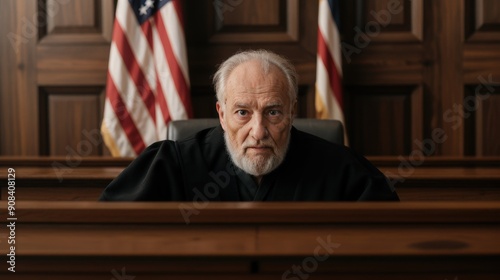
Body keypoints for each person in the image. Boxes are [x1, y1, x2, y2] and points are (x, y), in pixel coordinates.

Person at [99, 50, 399, 201]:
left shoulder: (342, 170)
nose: (258, 131)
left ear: (292, 112)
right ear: (221, 113)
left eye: (273, 112)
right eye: (242, 112)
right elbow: (114, 236)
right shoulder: (171, 165)